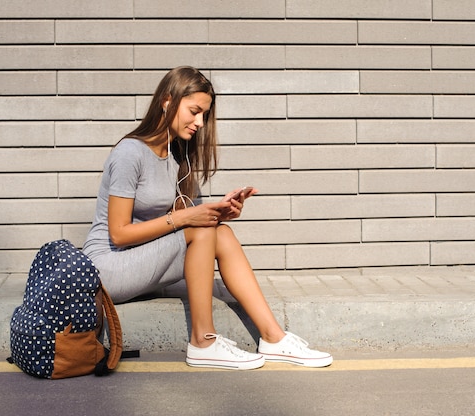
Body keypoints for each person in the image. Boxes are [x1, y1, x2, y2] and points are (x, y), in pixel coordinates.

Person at [83, 66, 332, 370]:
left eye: (205, 115)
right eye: (194, 111)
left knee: (220, 232)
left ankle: (274, 338)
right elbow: (119, 234)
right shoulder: (130, 153)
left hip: (143, 261)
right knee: (201, 231)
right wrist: (190, 217)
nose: (200, 122)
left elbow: (193, 218)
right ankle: (203, 342)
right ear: (167, 101)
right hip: (108, 269)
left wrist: (222, 211)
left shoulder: (178, 156)